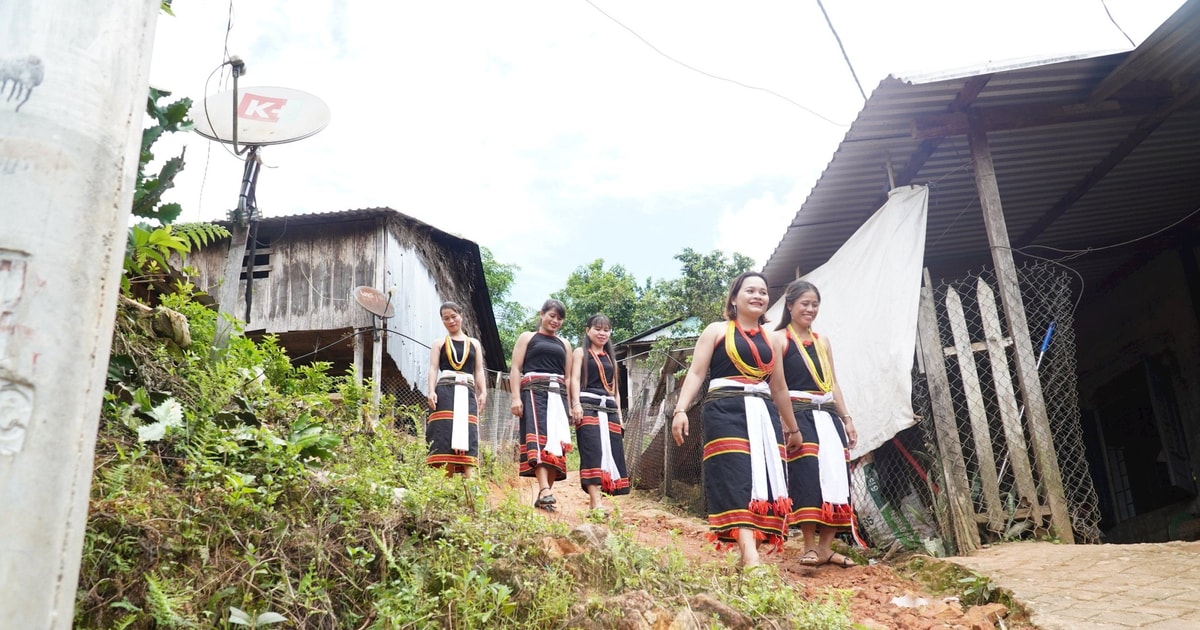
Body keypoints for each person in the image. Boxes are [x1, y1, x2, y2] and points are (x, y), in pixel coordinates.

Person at [671, 272, 804, 568]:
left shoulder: (772, 339)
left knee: (762, 479)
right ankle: (751, 555)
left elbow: (779, 387)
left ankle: (748, 553)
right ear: (734, 298)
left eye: (763, 292)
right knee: (736, 476)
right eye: (750, 291)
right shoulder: (716, 330)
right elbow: (696, 373)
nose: (758, 296)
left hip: (763, 413)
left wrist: (792, 428)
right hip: (725, 410)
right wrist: (680, 410)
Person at [775, 279, 859, 568]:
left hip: (828, 414)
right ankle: (809, 546)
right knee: (807, 474)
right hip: (799, 414)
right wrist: (787, 423)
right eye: (804, 304)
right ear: (790, 306)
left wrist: (846, 418)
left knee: (837, 476)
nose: (810, 309)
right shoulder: (779, 340)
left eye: (814, 304)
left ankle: (826, 548)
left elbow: (833, 382)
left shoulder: (822, 341)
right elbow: (779, 386)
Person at [510, 299, 574, 511]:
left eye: (559, 318)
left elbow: (570, 376)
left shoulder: (565, 344)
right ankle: (545, 488)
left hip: (558, 394)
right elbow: (516, 368)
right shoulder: (528, 337)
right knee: (539, 439)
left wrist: (573, 404)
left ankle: (544, 495)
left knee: (556, 441)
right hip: (533, 392)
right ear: (542, 314)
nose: (555, 321)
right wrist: (516, 397)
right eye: (552, 316)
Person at [569, 314, 630, 511]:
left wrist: (620, 416)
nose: (602, 333)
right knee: (592, 451)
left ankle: (598, 501)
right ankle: (596, 503)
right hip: (587, 406)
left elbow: (615, 390)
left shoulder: (611, 357)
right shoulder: (580, 352)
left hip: (609, 408)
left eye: (606, 329)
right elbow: (574, 380)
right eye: (597, 329)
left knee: (610, 452)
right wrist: (575, 404)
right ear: (588, 331)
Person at [425, 302, 488, 477]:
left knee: (469, 434)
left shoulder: (474, 343)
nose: (451, 321)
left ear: (461, 315)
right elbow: (432, 368)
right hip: (445, 392)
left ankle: (472, 489)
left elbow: (478, 370)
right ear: (442, 321)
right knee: (444, 434)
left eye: (454, 316)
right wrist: (431, 391)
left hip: (467, 392)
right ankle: (445, 488)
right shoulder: (439, 343)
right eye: (446, 318)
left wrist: (482, 392)